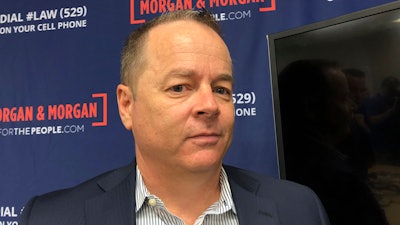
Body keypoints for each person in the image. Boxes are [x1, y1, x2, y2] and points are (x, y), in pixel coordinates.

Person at [18, 10, 330, 225]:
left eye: (222, 89)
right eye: (180, 87)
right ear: (127, 105)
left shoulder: (298, 210)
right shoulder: (53, 217)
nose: (209, 105)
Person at [278, 59, 388, 225]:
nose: (352, 106)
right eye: (344, 98)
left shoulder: (282, 157)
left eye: (360, 92)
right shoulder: (338, 181)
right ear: (311, 107)